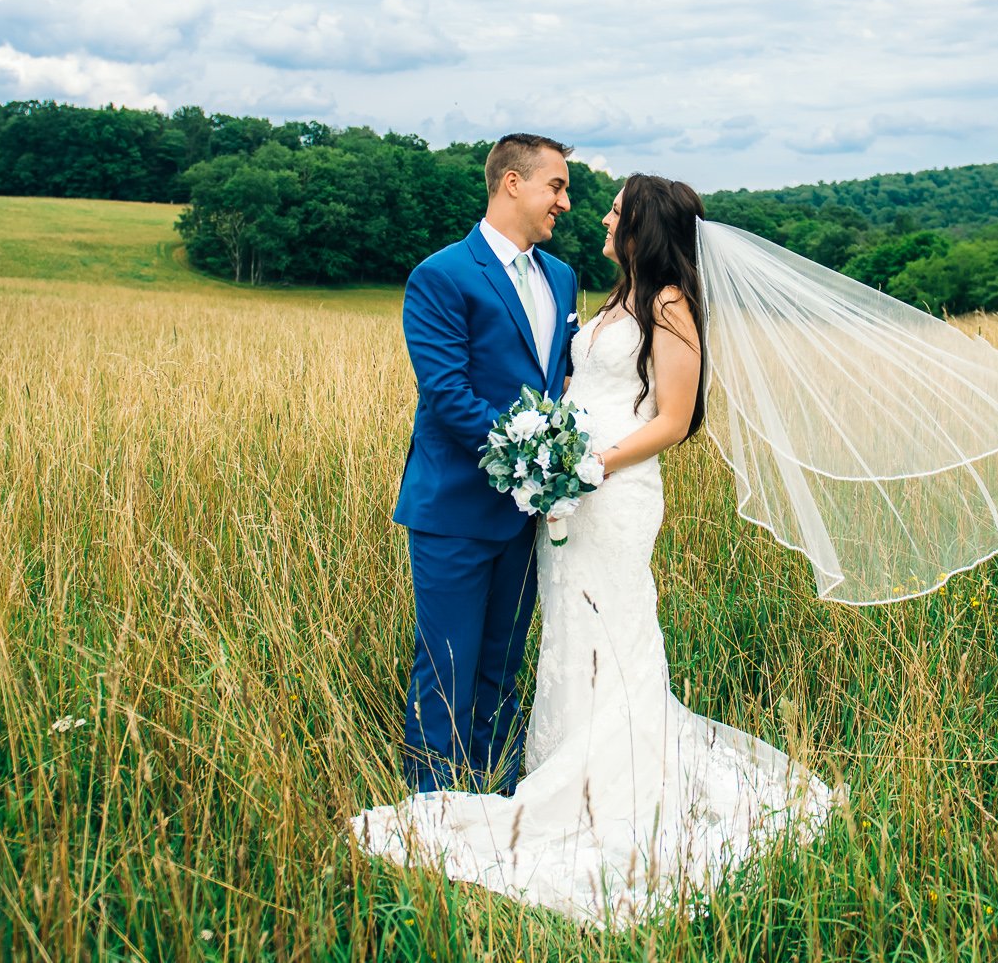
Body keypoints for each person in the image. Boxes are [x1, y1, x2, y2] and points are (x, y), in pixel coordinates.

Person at [353, 173, 841, 927]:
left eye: (615, 207)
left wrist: (593, 462)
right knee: (567, 633)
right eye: (576, 192)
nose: (598, 215)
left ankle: (613, 785)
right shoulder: (615, 296)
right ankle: (555, 764)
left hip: (611, 491)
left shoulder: (671, 304)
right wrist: (553, 456)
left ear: (645, 224)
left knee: (614, 627)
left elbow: (675, 417)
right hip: (569, 492)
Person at [390, 133, 581, 795]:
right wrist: (535, 458)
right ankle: (434, 815)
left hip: (527, 515)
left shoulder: (561, 277)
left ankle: (494, 802)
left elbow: (562, 382)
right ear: (511, 184)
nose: (564, 200)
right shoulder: (441, 274)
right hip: (455, 508)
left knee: (502, 665)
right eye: (555, 185)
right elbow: (447, 396)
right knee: (447, 666)